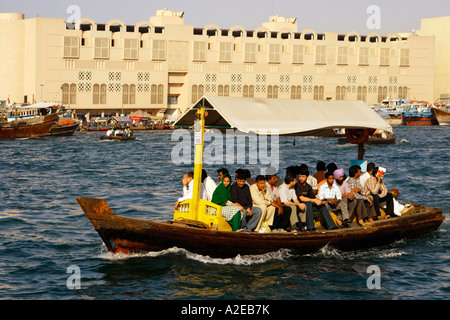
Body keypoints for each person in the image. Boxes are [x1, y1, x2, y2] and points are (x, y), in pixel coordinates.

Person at [295, 166, 339, 231]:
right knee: (308, 203)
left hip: (308, 207)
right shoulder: (297, 185)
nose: (301, 178)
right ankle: (310, 227)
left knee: (322, 206)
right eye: (300, 176)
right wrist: (314, 200)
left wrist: (321, 201)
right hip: (300, 206)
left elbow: (314, 197)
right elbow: (301, 198)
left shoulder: (308, 186)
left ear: (307, 177)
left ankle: (331, 225)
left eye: (303, 177)